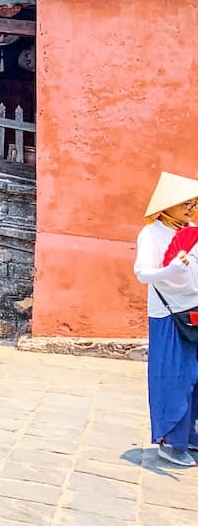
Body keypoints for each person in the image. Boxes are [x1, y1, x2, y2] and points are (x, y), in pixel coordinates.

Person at [134, 171, 198, 467]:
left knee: (195, 379)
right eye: (185, 202)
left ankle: (190, 436)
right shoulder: (151, 233)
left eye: (193, 203)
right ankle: (171, 443)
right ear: (167, 203)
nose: (190, 208)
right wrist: (172, 269)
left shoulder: (189, 230)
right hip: (169, 315)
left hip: (194, 310)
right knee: (174, 378)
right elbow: (143, 273)